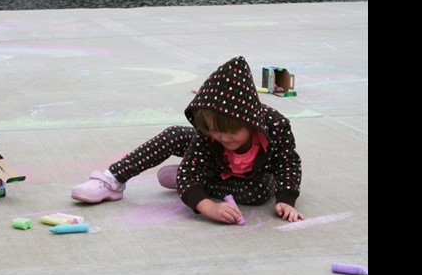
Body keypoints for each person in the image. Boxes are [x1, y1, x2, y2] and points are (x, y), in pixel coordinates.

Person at [71, 56, 304, 223]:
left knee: (260, 192)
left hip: (251, 175)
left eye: (231, 132)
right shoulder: (209, 134)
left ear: (251, 123)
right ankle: (112, 180)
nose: (223, 138)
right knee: (174, 135)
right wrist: (207, 206)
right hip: (214, 162)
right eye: (214, 130)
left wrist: (286, 199)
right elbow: (215, 135)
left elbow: (288, 163)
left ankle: (190, 180)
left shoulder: (275, 126)